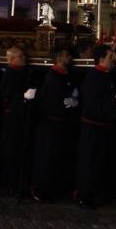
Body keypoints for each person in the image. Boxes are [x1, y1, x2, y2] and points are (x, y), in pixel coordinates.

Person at [75, 44, 116, 209]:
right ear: (101, 59)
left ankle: (104, 192)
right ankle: (85, 195)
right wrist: (114, 100)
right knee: (90, 162)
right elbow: (92, 104)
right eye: (111, 56)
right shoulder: (94, 77)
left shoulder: (109, 75)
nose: (114, 59)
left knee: (105, 162)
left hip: (106, 125)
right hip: (94, 126)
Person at [31, 45, 79, 203]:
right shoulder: (53, 76)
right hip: (51, 124)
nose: (69, 58)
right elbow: (51, 100)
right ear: (59, 58)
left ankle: (53, 188)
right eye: (66, 55)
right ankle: (40, 189)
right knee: (47, 158)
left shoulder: (65, 75)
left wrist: (73, 99)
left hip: (61, 123)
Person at [0, 45, 33, 196]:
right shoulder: (10, 74)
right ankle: (12, 184)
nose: (24, 58)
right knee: (13, 151)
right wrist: (23, 97)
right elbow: (7, 96)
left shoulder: (21, 72)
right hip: (13, 118)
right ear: (11, 58)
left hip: (21, 116)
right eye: (20, 56)